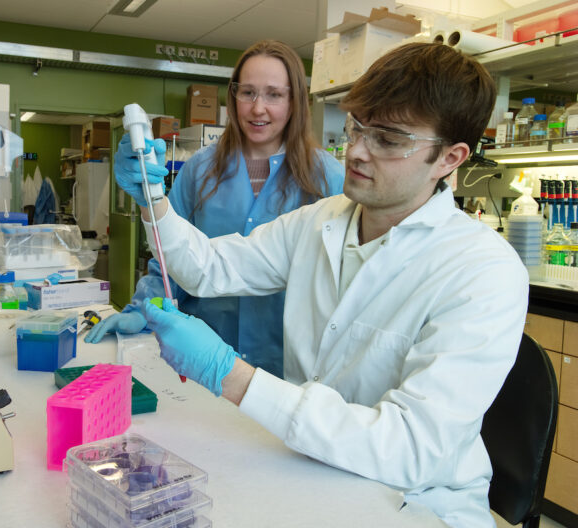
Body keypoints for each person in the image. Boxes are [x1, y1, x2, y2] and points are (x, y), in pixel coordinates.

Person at [113, 42, 528, 528]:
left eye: (388, 139)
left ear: (449, 158)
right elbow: (209, 267)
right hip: (309, 471)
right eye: (357, 126)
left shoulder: (481, 271)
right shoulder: (320, 221)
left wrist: (230, 374)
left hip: (413, 504)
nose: (356, 151)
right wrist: (153, 197)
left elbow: (410, 448)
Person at [85, 40, 344, 377]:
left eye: (273, 95)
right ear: (232, 96)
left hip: (285, 367)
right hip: (202, 355)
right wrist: (143, 309)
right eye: (247, 92)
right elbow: (169, 254)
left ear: (295, 101)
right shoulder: (200, 170)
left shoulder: (328, 178)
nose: (257, 108)